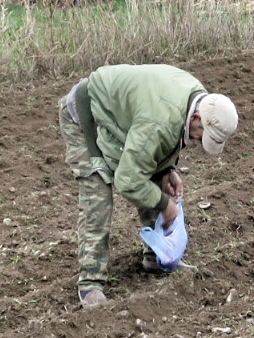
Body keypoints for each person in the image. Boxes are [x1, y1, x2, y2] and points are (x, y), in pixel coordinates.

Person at [59, 64, 237, 308]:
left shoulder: (200, 99)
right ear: (196, 118)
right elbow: (128, 180)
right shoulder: (160, 122)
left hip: (122, 118)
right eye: (199, 134)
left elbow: (160, 140)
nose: (197, 141)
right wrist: (165, 206)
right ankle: (90, 283)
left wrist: (167, 168)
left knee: (154, 179)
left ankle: (156, 257)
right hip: (85, 113)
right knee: (98, 193)